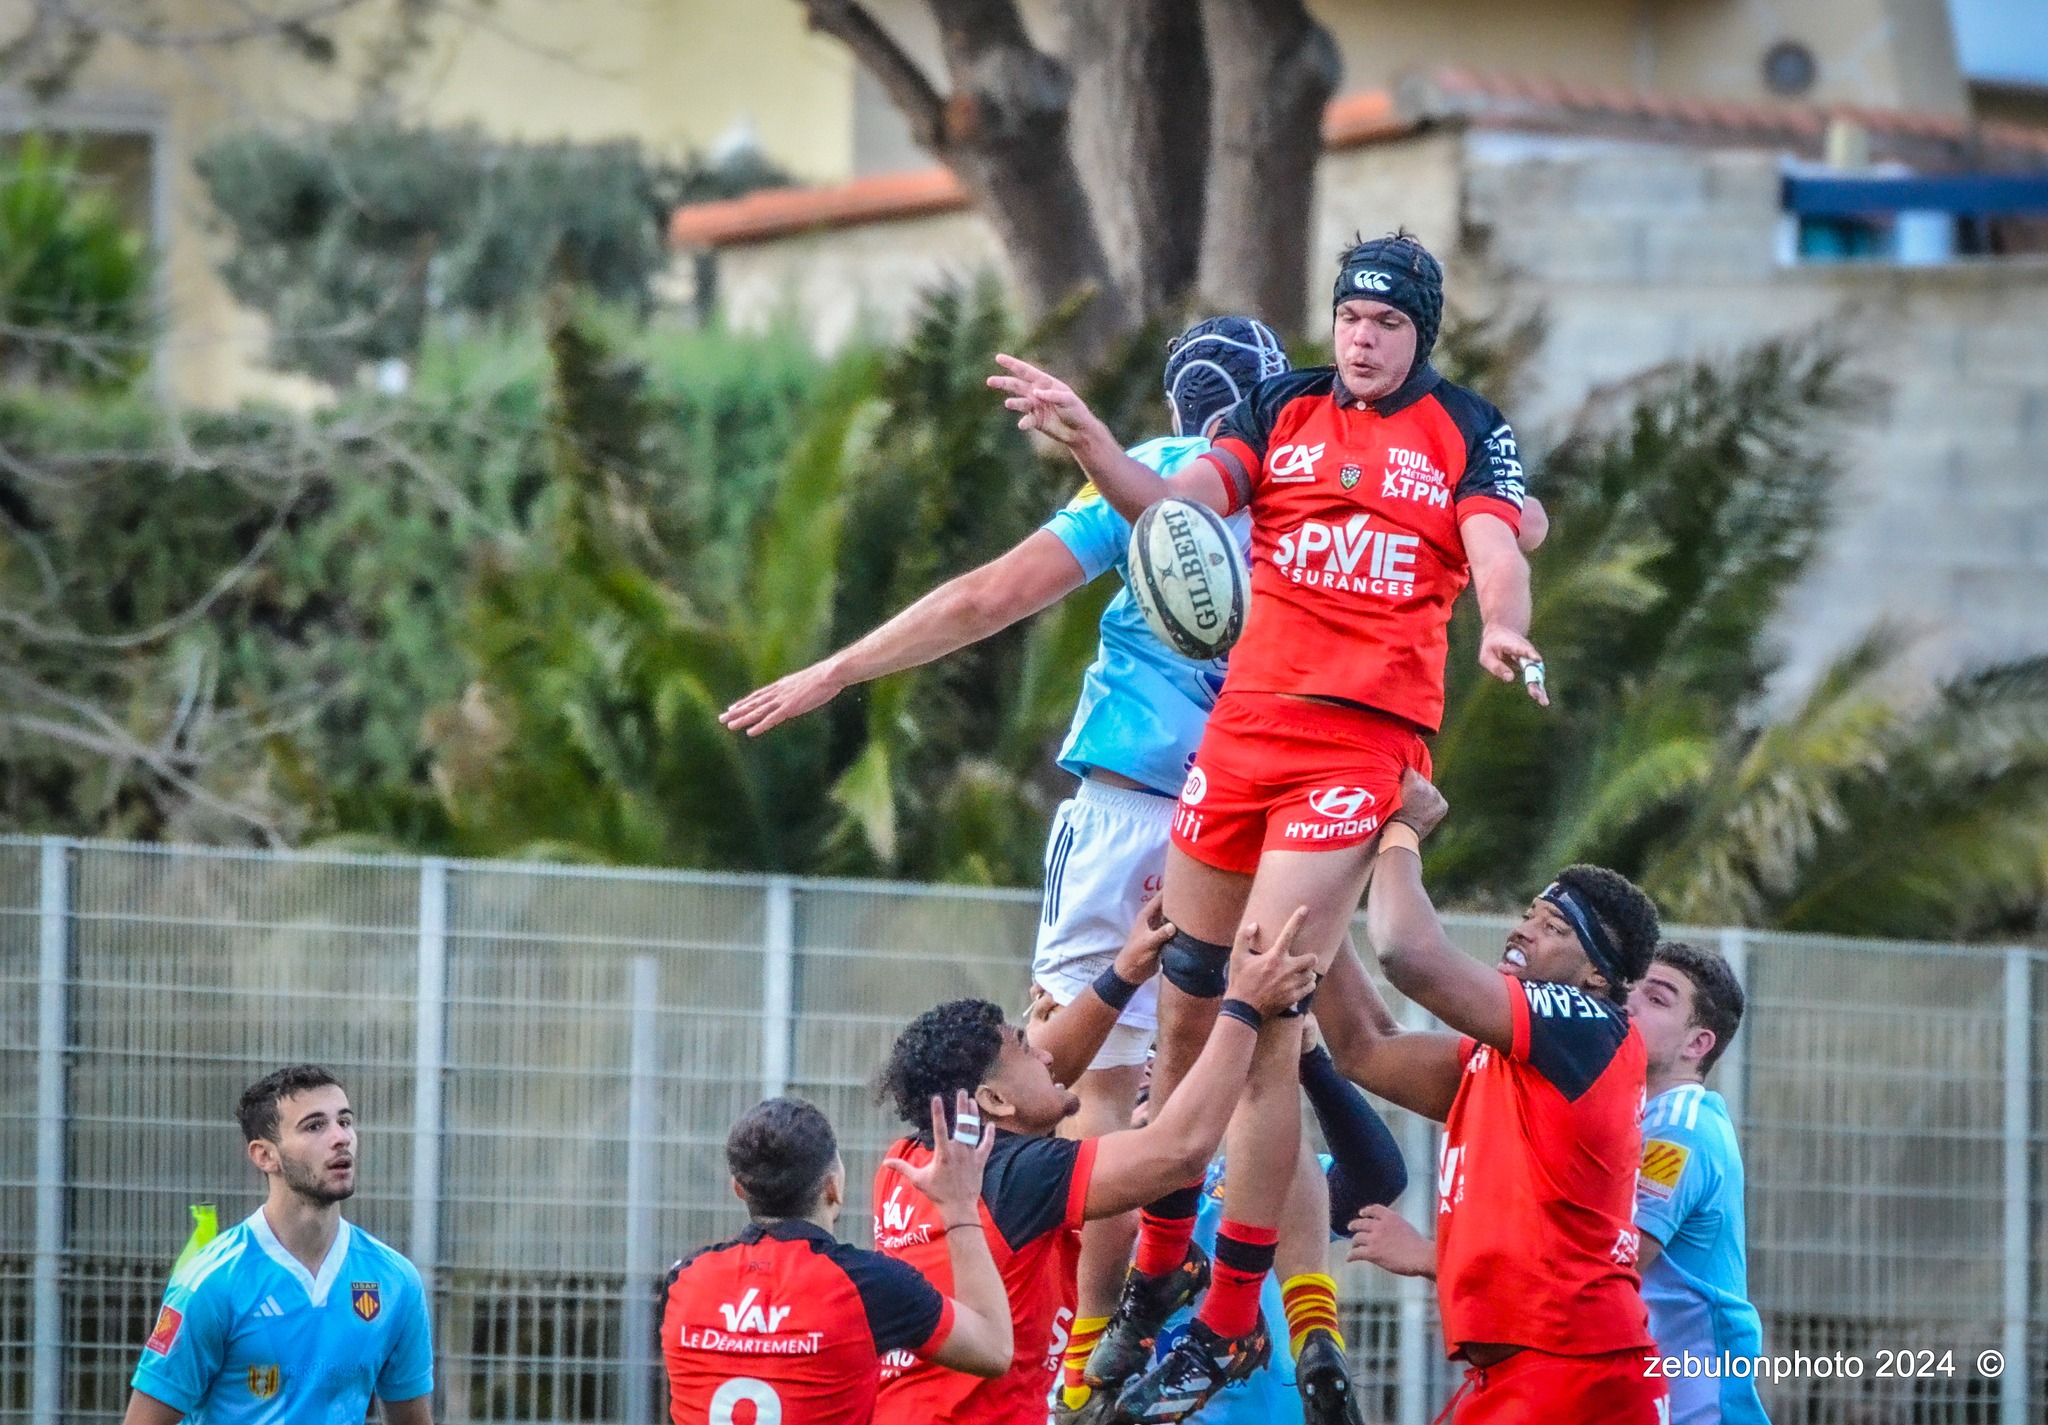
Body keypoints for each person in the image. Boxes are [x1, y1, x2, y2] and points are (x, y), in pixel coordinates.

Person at [722, 316, 1346, 1405]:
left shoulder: (1154, 475)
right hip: (1269, 810)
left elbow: (987, 598)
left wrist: (838, 669)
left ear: (1182, 414)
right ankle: (1305, 1320)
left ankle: (1085, 1352)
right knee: (1264, 1067)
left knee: (1095, 1084)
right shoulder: (1317, 495)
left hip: (1127, 808)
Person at [987, 232, 1547, 1421]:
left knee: (1265, 1008)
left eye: (1387, 323)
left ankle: (1236, 1321)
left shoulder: (1463, 428)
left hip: (1356, 749)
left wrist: (1500, 625)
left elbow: (1497, 543)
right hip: (1240, 741)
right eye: (1349, 316)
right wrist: (1091, 440)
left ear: (1419, 336)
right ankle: (1152, 1290)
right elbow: (1174, 514)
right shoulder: (1279, 406)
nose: (1361, 337)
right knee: (1186, 1013)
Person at [867, 908, 1318, 1425]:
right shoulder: (1020, 1178)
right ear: (992, 1099)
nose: (1047, 1056)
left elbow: (1029, 1084)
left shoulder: (906, 1161)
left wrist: (1124, 973)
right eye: (1025, 1048)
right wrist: (1243, 1005)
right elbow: (1181, 1150)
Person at [1328, 770, 1669, 1422]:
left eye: (1554, 927)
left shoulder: (1586, 1024)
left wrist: (1401, 831)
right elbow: (1364, 1044)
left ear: (1598, 973)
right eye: (1526, 915)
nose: (1523, 931)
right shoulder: (1512, 1060)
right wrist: (1306, 887)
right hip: (1530, 1368)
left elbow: (1407, 951)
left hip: (1575, 1368)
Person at [659, 1094, 1013, 1425]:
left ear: (739, 1188)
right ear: (833, 1187)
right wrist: (959, 1206)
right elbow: (993, 1349)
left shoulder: (683, 1281)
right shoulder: (869, 1285)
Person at [123, 1066, 434, 1425]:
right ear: (264, 1156)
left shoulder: (395, 1279)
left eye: (345, 1122)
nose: (341, 1138)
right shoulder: (212, 1282)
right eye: (315, 1126)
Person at [1629, 943, 1769, 1425]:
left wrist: (1432, 1258)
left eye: (1656, 998)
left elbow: (1614, 1262)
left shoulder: (1680, 1130)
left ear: (1697, 1045)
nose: (1629, 1002)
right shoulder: (1639, 1117)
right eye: (1631, 988)